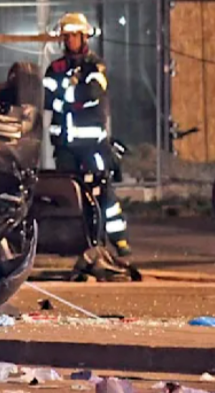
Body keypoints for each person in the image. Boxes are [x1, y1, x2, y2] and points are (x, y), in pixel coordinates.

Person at [43, 13, 133, 260]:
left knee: (103, 192)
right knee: (70, 195)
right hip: (64, 146)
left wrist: (67, 95)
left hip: (93, 145)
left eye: (75, 35)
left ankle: (120, 241)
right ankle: (78, 241)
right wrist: (72, 95)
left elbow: (92, 92)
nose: (70, 40)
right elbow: (48, 100)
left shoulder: (96, 65)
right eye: (67, 35)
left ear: (84, 37)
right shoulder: (55, 68)